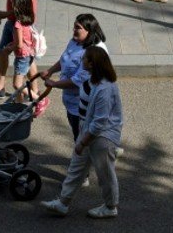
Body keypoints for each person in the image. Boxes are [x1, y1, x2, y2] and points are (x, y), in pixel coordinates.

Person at [41, 46, 123, 219]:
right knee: (75, 169)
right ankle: (63, 203)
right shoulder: (92, 79)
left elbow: (100, 122)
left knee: (105, 173)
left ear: (92, 64)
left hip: (101, 137)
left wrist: (83, 142)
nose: (82, 60)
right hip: (87, 131)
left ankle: (110, 207)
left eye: (85, 58)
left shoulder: (105, 88)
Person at [41, 14, 108, 142]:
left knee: (82, 139)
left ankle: (84, 158)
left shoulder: (93, 53)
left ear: (89, 31)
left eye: (78, 28)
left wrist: (54, 84)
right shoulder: (75, 42)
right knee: (79, 134)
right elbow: (64, 59)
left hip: (84, 105)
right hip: (72, 102)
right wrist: (50, 71)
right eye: (74, 27)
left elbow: (77, 81)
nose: (74, 30)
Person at [0, 0, 37, 101]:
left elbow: (19, 44)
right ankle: (18, 103)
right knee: (19, 85)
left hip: (22, 57)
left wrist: (8, 49)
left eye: (13, 2)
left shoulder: (18, 24)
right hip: (29, 53)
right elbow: (24, 40)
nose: (11, 2)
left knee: (17, 84)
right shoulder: (29, 18)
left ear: (17, 7)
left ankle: (40, 100)